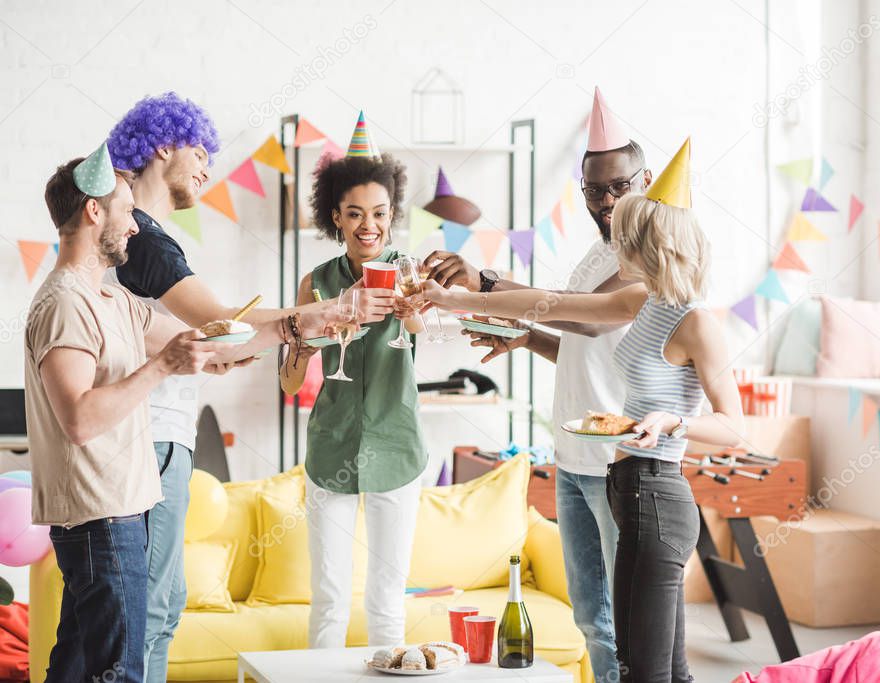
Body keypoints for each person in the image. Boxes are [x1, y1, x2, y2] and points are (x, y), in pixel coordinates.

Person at [424, 138, 745, 683]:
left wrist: (673, 422)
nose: (611, 243)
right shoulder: (640, 303)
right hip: (627, 484)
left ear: (649, 244)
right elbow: (550, 308)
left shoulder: (695, 322)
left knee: (647, 666)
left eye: (624, 237)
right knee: (647, 661)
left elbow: (734, 426)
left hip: (658, 493)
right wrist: (470, 305)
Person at [27, 147, 345, 682]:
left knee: (78, 664)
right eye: (127, 212)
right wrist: (163, 368)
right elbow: (78, 419)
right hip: (100, 515)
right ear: (93, 212)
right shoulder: (65, 304)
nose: (135, 227)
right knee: (118, 670)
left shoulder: (110, 300)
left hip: (117, 508)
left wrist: (302, 323)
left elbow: (211, 341)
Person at [105, 93, 392, 682]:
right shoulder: (144, 237)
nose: (207, 168)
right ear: (164, 147)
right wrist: (320, 313)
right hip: (150, 436)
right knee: (151, 611)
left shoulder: (132, 233)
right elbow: (221, 321)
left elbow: (176, 333)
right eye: (201, 152)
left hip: (153, 434)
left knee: (154, 610)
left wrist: (216, 354)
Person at [422, 87, 650, 682]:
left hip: (616, 461)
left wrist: (487, 281)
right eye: (595, 189)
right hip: (573, 459)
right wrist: (527, 339)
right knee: (592, 618)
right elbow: (582, 341)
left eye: (620, 185)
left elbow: (582, 315)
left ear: (644, 180)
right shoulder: (595, 256)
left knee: (625, 618)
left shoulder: (647, 254)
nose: (607, 199)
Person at [278, 117, 426, 649]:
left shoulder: (408, 271)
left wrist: (413, 309)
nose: (370, 226)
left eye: (381, 214)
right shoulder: (315, 283)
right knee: (330, 598)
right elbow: (292, 384)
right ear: (335, 216)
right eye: (356, 213)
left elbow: (417, 328)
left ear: (392, 216)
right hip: (330, 448)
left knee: (387, 600)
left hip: (397, 446)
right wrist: (312, 331)